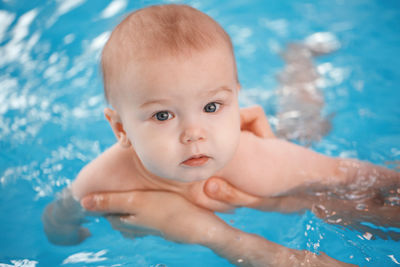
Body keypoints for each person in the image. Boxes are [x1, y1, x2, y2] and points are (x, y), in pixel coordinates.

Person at [42, 3, 399, 265]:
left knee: (305, 125)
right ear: (121, 129)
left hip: (288, 154)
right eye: (163, 115)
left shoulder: (259, 159)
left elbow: (359, 177)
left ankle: (300, 60)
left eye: (212, 107)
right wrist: (66, 231)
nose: (194, 134)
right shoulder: (104, 181)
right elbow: (60, 216)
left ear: (237, 98)